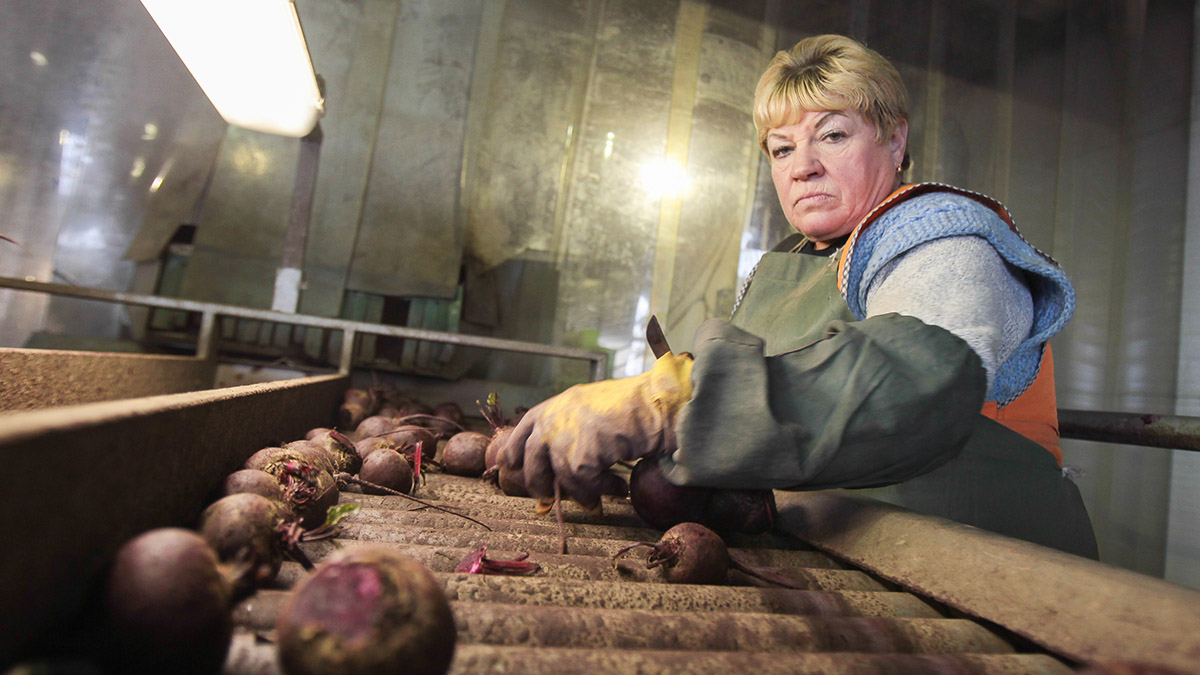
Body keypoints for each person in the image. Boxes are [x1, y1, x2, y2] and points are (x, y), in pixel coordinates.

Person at [499, 34, 1098, 558]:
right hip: (835, 554)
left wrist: (668, 405)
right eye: (782, 148)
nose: (802, 167)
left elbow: (909, 382)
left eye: (832, 135)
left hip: (983, 568)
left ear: (895, 140)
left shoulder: (942, 239)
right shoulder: (790, 259)